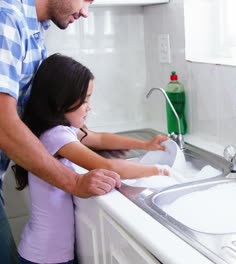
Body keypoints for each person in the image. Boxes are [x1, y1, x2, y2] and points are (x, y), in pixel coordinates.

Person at [13, 53, 170, 264]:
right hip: (46, 257)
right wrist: (160, 170)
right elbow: (107, 166)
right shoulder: (55, 135)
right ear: (61, 101)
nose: (90, 107)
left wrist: (145, 145)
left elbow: (100, 138)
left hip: (45, 251)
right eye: (85, 100)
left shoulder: (58, 130)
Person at [1, 0, 118, 263]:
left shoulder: (34, 34)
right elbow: (3, 125)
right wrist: (74, 182)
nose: (86, 12)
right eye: (86, 0)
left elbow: (46, 111)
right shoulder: (6, 19)